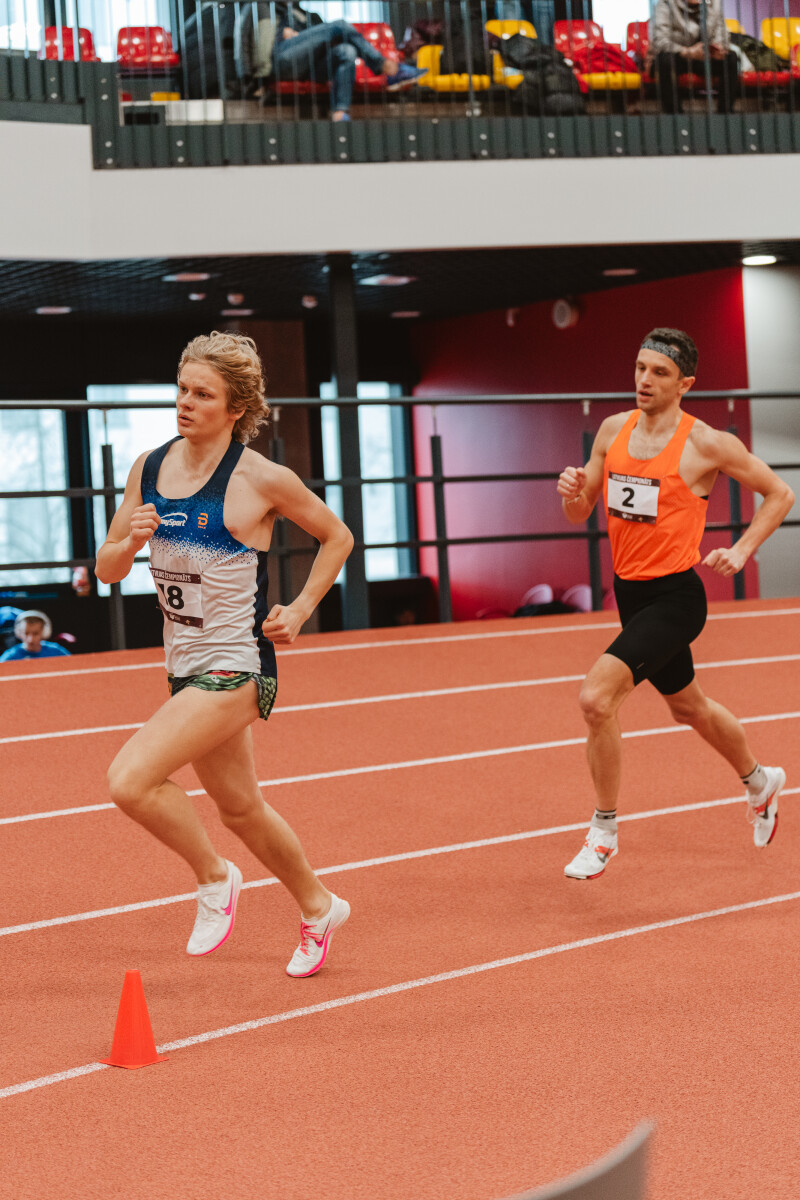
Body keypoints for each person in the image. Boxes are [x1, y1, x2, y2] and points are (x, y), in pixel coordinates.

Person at [95, 331, 354, 977]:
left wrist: (300, 608)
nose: (185, 403)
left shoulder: (261, 479)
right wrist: (129, 542)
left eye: (202, 394)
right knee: (240, 808)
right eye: (182, 389)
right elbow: (105, 569)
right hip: (182, 667)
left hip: (238, 666)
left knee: (130, 781)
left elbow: (337, 536)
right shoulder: (148, 468)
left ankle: (215, 876)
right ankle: (320, 906)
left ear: (236, 408)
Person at [557, 327, 794, 879]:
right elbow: (580, 511)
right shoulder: (613, 429)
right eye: (640, 367)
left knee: (596, 699)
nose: (644, 380)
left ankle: (603, 832)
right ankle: (761, 780)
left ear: (684, 383)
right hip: (630, 594)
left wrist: (742, 549)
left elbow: (779, 493)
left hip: (676, 598)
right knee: (688, 707)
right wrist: (572, 492)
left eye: (659, 372)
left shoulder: (706, 443)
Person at [271, 3, 426, 122]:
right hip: (284, 60)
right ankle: (387, 68)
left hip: (311, 65)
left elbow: (325, 41)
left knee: (347, 51)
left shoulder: (310, 16)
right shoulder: (272, 10)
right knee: (340, 25)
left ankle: (340, 113)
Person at [650, 0, 739, 114]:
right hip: (679, 55)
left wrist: (718, 49)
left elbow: (722, 34)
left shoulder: (714, 3)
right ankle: (674, 113)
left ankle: (725, 112)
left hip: (705, 56)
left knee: (731, 58)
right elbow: (659, 40)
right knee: (664, 60)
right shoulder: (665, 3)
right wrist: (688, 52)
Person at [0, 610, 70, 661]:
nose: (30, 639)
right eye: (26, 633)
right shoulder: (11, 655)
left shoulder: (56, 652)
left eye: (35, 633)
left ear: (43, 632)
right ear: (19, 632)